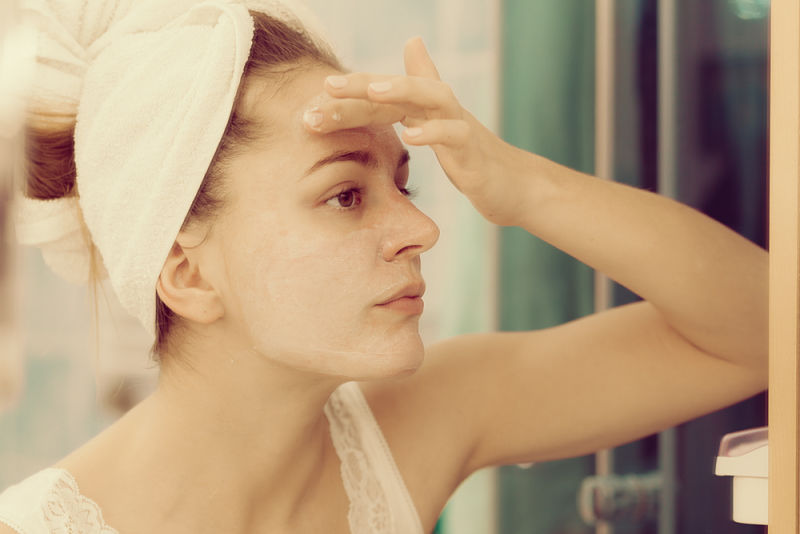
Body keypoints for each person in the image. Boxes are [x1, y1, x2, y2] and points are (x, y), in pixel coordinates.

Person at [0, 1, 767, 533]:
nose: (421, 229)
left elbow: (765, 332)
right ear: (190, 277)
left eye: (404, 183)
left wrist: (525, 187)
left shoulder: (421, 421)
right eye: (343, 195)